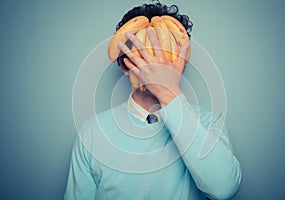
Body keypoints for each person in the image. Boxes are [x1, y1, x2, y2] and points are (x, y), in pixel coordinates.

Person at [64, 2, 242, 200]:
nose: (154, 65)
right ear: (124, 64)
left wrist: (169, 92)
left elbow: (224, 189)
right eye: (143, 55)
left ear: (180, 62)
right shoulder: (92, 135)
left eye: (162, 54)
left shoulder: (209, 123)